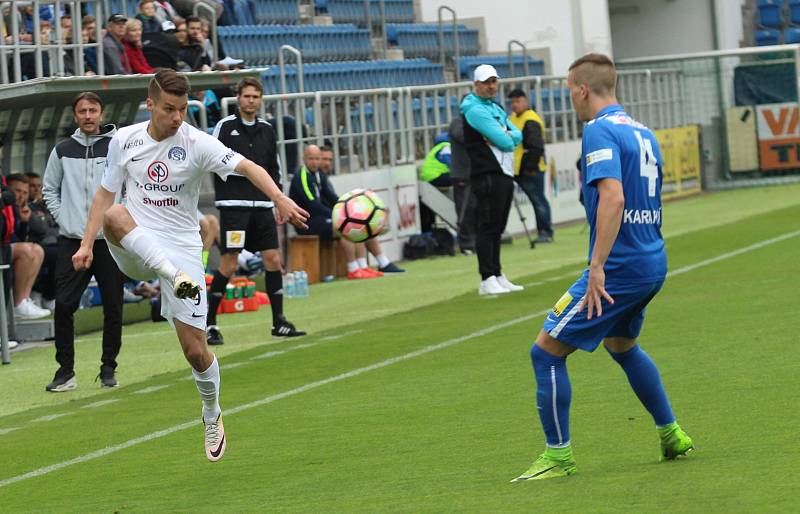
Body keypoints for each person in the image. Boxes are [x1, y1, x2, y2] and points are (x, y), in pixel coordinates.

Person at [71, 70, 308, 461]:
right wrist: (85, 244)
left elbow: (249, 167)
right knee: (115, 214)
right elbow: (104, 194)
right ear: (150, 104)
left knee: (196, 352)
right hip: (136, 245)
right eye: (169, 109)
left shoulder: (197, 143)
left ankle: (212, 413)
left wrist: (279, 198)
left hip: (181, 248)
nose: (177, 117)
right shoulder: (124, 140)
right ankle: (172, 275)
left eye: (182, 109)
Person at [512, 54, 693, 482]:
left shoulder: (598, 129)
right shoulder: (643, 131)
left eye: (568, 91)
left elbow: (613, 197)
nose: (570, 100)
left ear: (581, 89)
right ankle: (672, 434)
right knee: (621, 346)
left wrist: (597, 266)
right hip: (651, 259)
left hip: (620, 267)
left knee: (546, 353)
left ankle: (558, 456)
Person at [206, 77, 306, 345]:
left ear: (261, 100)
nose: (251, 100)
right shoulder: (225, 127)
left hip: (262, 205)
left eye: (255, 96)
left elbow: (274, 169)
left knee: (274, 259)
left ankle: (279, 321)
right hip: (234, 206)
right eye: (247, 96)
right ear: (238, 98)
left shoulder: (267, 129)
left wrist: (279, 200)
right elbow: (212, 160)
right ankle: (210, 324)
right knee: (229, 262)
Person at [42, 91, 125, 392]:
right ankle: (65, 371)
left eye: (92, 110)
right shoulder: (63, 150)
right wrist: (65, 217)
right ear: (75, 116)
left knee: (114, 306)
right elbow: (49, 189)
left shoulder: (117, 147)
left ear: (101, 113)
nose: (88, 116)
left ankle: (108, 369)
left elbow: (128, 186)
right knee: (64, 305)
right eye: (82, 111)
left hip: (109, 241)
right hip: (72, 240)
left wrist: (118, 219)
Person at [460, 64, 523, 296]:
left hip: (502, 171)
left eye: (494, 81)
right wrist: (505, 135)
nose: (492, 86)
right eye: (487, 82)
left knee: (497, 227)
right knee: (487, 226)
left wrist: (505, 135)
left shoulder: (493, 107)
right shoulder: (475, 110)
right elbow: (507, 141)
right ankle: (487, 277)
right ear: (476, 84)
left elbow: (517, 134)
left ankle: (496, 273)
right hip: (487, 172)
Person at [318, 145, 403, 274]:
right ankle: (354, 268)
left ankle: (374, 264)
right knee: (347, 226)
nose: (327, 163)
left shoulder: (322, 177)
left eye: (330, 160)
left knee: (364, 223)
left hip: (327, 217)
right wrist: (338, 215)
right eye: (324, 159)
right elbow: (312, 204)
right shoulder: (308, 176)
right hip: (313, 220)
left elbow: (334, 199)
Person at [508, 88, 554, 244]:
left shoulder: (531, 119)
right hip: (516, 168)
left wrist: (529, 168)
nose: (514, 105)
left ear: (525, 101)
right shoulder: (512, 119)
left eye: (517, 101)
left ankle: (545, 232)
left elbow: (536, 147)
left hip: (530, 169)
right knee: (538, 200)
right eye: (512, 102)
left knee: (538, 200)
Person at [6, 174, 50, 319]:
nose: (21, 196)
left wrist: (25, 221)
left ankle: (24, 299)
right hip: (4, 248)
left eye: (24, 193)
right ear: (8, 190)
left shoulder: (19, 209)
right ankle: (18, 303)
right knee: (26, 250)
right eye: (17, 191)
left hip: (8, 248)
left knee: (37, 250)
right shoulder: (5, 207)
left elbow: (21, 236)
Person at [448, 115, 477, 255]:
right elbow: (463, 137)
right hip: (462, 172)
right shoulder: (457, 122)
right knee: (465, 208)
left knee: (477, 206)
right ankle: (466, 243)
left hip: (477, 170)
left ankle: (477, 240)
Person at [418, 133, 452, 233]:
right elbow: (450, 162)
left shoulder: (435, 149)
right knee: (463, 178)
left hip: (427, 178)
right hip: (435, 177)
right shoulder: (446, 146)